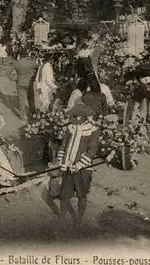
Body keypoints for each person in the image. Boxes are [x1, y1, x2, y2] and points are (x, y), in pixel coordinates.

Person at [56, 93, 103, 226]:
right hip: (68, 166)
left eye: (74, 116)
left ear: (82, 117)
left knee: (82, 196)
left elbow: (92, 151)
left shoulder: (93, 130)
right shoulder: (69, 128)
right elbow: (63, 146)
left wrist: (80, 165)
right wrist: (61, 163)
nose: (71, 118)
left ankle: (79, 219)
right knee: (64, 194)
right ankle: (62, 217)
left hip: (83, 169)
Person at [11, 50, 37, 122]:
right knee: (31, 98)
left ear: (20, 55)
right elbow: (37, 68)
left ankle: (23, 116)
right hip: (29, 82)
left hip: (20, 82)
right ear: (27, 55)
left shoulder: (16, 63)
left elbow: (8, 72)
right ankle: (33, 113)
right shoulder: (31, 62)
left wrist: (13, 79)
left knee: (21, 100)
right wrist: (34, 76)